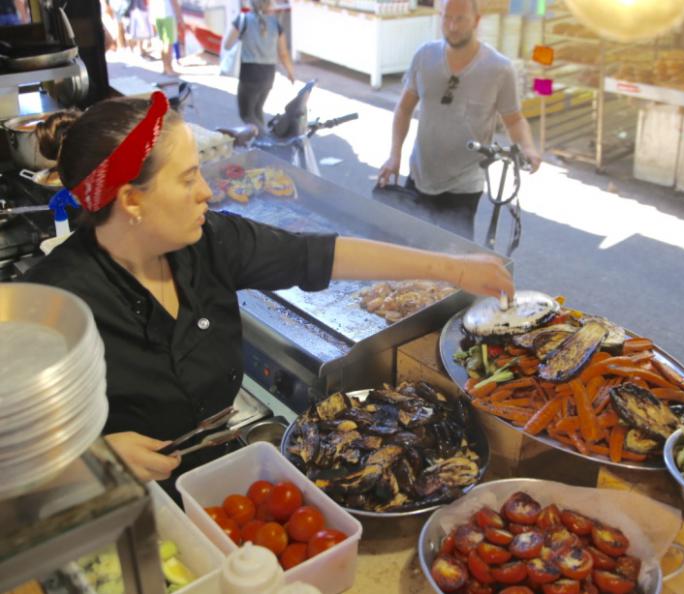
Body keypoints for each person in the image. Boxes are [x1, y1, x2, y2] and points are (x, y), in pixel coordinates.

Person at [25, 92, 513, 487]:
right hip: (116, 508)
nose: (207, 192)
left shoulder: (208, 242)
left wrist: (453, 268)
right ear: (131, 199)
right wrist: (89, 455)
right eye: (189, 178)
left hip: (216, 476)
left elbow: (319, 255)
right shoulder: (50, 307)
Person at [376, 0, 541, 240]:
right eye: (446, 18)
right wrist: (394, 155)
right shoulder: (424, 56)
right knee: (409, 253)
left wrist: (528, 148)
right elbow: (403, 108)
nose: (452, 26)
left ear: (477, 19)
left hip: (463, 187)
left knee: (451, 261)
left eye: (460, 19)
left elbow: (514, 119)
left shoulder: (499, 69)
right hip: (419, 175)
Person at [223, 0, 295, 131]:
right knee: (257, 109)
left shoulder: (242, 19)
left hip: (249, 73)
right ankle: (260, 139)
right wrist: (290, 72)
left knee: (246, 114)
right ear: (269, 5)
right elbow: (283, 53)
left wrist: (243, 38)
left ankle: (262, 139)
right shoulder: (276, 24)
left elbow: (227, 44)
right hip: (268, 74)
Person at [148, 0, 183, 76]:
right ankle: (169, 68)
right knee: (168, 43)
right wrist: (180, 16)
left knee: (162, 42)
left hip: (156, 15)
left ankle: (165, 67)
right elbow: (174, 2)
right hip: (167, 14)